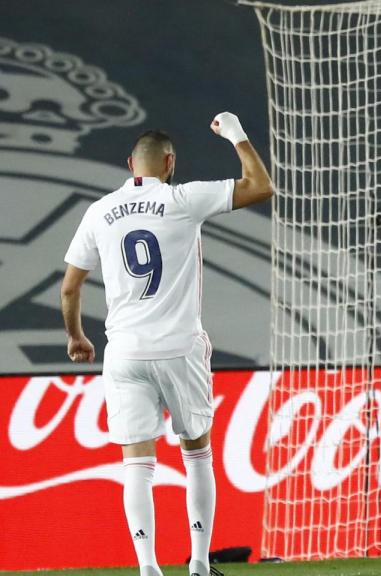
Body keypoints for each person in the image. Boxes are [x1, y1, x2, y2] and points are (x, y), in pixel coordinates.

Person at [61, 113, 273, 576]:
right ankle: (198, 564)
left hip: (124, 352)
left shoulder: (98, 211)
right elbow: (260, 187)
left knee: (137, 463)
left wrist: (77, 336)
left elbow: (70, 288)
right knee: (196, 453)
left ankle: (147, 569)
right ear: (170, 162)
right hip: (179, 347)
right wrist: (236, 133)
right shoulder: (182, 198)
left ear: (130, 164)